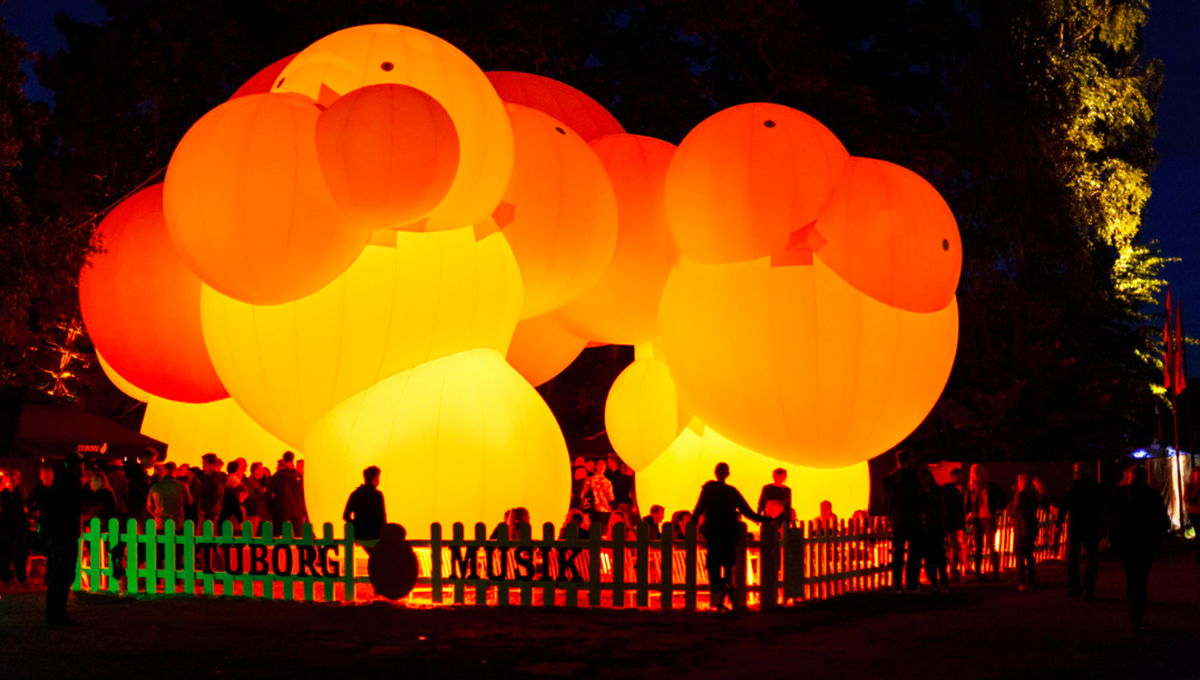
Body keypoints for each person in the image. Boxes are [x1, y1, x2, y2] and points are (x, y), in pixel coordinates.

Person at [693, 462, 767, 612]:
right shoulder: (731, 491)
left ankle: (723, 595)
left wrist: (694, 522)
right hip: (728, 532)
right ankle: (727, 594)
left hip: (714, 532)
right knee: (728, 567)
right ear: (728, 474)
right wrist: (765, 519)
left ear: (715, 472)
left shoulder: (709, 489)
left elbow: (699, 507)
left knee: (714, 567)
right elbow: (747, 511)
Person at [1104, 465, 1169, 630]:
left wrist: (1114, 536)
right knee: (1141, 577)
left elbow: (1108, 515)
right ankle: (1137, 613)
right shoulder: (1152, 495)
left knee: (1131, 574)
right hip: (1146, 542)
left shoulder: (1119, 494)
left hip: (1126, 541)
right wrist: (1159, 539)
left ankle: (1134, 607)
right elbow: (1162, 519)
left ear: (1129, 477)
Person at [43, 453, 86, 625]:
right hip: (65, 534)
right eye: (81, 465)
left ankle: (53, 614)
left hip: (59, 534)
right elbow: (70, 511)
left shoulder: (61, 482)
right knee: (64, 574)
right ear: (76, 465)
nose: (83, 468)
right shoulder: (71, 484)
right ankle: (58, 614)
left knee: (58, 575)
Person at [1057, 461, 1104, 598]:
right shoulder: (1078, 487)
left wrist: (1059, 523)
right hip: (1085, 525)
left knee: (1082, 558)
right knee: (1084, 558)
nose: (1076, 474)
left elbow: (1064, 505)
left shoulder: (1079, 487)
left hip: (1084, 525)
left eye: (1077, 472)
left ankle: (1081, 587)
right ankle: (1083, 588)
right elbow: (1064, 505)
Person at [882, 449, 922, 593]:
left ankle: (897, 584)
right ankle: (911, 582)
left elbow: (887, 501)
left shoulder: (890, 480)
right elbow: (914, 500)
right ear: (909, 461)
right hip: (911, 520)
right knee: (914, 553)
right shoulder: (910, 479)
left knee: (898, 554)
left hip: (896, 520)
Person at [966, 463, 1005, 581]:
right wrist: (969, 514)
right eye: (973, 473)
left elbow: (1002, 498)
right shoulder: (971, 487)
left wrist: (999, 510)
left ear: (982, 473)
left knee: (991, 546)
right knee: (978, 547)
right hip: (977, 519)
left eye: (978, 472)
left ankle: (995, 573)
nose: (976, 475)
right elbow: (967, 503)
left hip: (988, 518)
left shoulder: (991, 486)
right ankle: (978, 574)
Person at [916, 468, 948, 594]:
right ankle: (934, 582)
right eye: (920, 478)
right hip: (925, 526)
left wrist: (929, 493)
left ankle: (944, 582)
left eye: (924, 477)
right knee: (928, 556)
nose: (922, 480)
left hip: (937, 525)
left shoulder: (939, 490)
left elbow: (939, 503)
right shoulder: (919, 492)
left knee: (939, 555)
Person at [1009, 474, 1040, 590]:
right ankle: (1031, 578)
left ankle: (1021, 579)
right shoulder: (1034, 495)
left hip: (1021, 527)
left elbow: (1013, 510)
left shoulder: (1020, 495)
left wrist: (1010, 512)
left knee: (1019, 554)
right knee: (1029, 553)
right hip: (1031, 526)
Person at [0, 470, 30, 586]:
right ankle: (6, 578)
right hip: (5, 528)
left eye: (14, 480)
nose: (11, 482)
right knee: (5, 553)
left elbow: (23, 508)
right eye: (10, 480)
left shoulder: (20, 493)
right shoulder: (3, 494)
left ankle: (21, 578)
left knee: (20, 553)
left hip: (18, 528)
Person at [267, 451, 306, 537]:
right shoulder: (299, 476)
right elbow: (303, 495)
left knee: (278, 536)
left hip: (280, 509)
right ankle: (300, 550)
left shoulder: (276, 477)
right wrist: (304, 512)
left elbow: (268, 494)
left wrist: (271, 509)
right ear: (293, 459)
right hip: (297, 510)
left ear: (283, 460)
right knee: (299, 537)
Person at [343, 466, 386, 542]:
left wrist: (357, 524)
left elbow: (346, 516)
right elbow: (382, 517)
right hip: (375, 534)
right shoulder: (377, 495)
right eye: (378, 477)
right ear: (375, 478)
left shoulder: (355, 494)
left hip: (360, 534)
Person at [943, 468, 967, 581]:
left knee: (956, 548)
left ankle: (954, 570)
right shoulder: (948, 489)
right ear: (954, 476)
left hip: (955, 524)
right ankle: (953, 571)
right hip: (950, 523)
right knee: (955, 547)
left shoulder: (956, 491)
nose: (962, 478)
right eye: (960, 476)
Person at [194, 453, 226, 533]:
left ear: (213, 464)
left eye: (205, 464)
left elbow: (199, 493)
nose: (203, 467)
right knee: (211, 536)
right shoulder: (219, 478)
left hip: (207, 512)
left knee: (202, 537)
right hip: (214, 511)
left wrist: (196, 486)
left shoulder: (211, 479)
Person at [581, 459, 615, 529]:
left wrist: (582, 505)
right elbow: (611, 497)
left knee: (591, 529)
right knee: (600, 530)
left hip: (591, 508)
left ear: (596, 467)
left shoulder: (589, 479)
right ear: (605, 469)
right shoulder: (608, 482)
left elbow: (583, 494)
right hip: (604, 510)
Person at [1186, 469, 1200, 561]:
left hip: (1195, 512)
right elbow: (1186, 499)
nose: (1197, 475)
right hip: (1194, 512)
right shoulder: (1190, 486)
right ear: (1192, 475)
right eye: (1195, 473)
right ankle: (1198, 554)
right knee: (1198, 533)